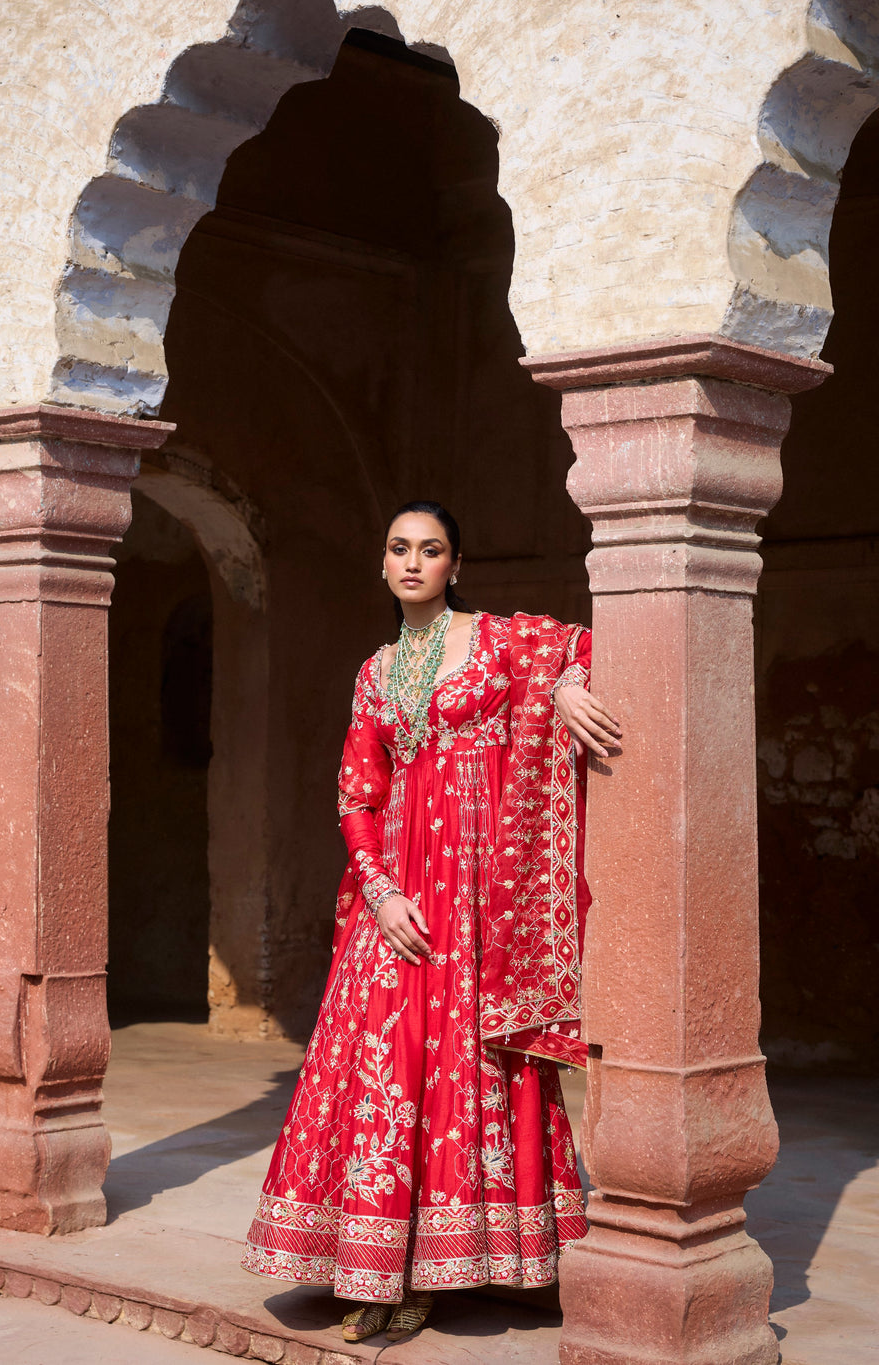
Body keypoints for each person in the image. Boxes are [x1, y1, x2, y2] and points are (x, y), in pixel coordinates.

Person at [241, 501, 621, 1343]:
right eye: (400, 548)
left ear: (456, 564)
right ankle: (375, 1267)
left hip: (483, 894)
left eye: (432, 549)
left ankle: (427, 1272)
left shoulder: (496, 641)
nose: (413, 561)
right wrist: (379, 891)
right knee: (383, 1059)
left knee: (462, 1061)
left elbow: (581, 646)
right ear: (382, 563)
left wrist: (563, 686)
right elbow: (357, 794)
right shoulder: (373, 672)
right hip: (400, 892)